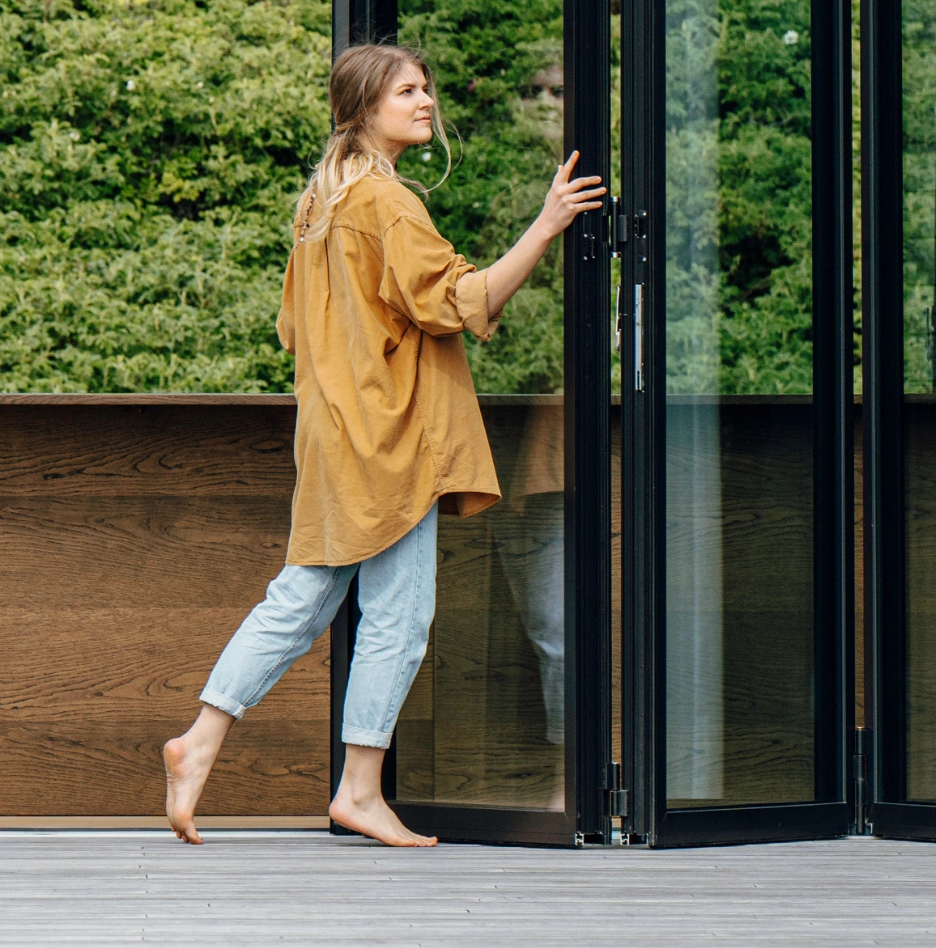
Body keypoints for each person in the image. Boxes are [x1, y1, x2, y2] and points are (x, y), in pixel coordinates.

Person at [158, 42, 605, 846]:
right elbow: (462, 301)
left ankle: (203, 743)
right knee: (396, 616)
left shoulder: (320, 205)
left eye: (427, 88)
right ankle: (354, 788)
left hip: (335, 439)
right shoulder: (388, 204)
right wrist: (548, 225)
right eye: (408, 91)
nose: (426, 101)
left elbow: (294, 328)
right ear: (364, 111)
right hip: (390, 442)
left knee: (302, 601)